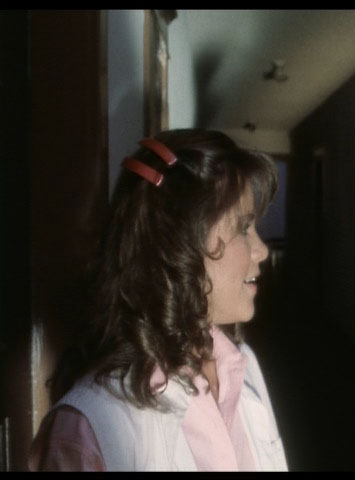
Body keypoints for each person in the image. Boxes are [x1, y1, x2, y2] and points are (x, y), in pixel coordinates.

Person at [28, 129, 288, 471]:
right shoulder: (87, 431)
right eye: (243, 228)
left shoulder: (243, 367)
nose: (262, 250)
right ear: (178, 245)